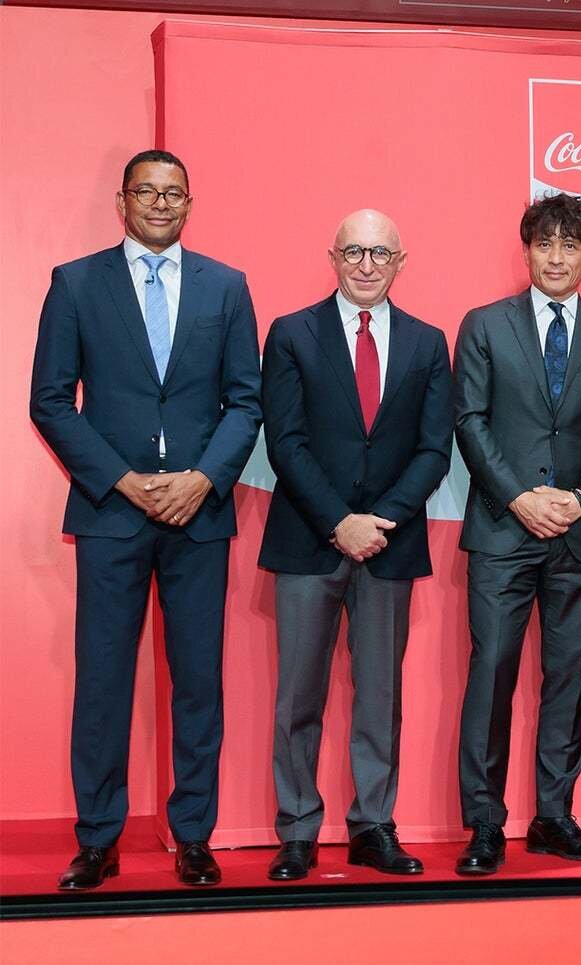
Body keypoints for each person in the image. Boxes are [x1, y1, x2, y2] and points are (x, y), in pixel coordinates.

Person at [30, 149, 261, 889]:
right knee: (103, 682)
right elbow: (50, 401)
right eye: (147, 191)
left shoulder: (226, 286)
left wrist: (203, 479)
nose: (161, 203)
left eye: (174, 193)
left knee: (198, 683)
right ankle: (97, 839)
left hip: (199, 515)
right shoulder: (75, 283)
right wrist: (123, 481)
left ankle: (194, 836)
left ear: (189, 203)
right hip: (111, 513)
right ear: (123, 202)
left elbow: (246, 401)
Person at [258, 210, 453, 881]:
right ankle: (297, 831)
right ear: (333, 257)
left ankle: (373, 826)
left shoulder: (428, 343)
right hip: (309, 538)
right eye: (354, 252)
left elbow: (434, 449)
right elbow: (285, 442)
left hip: (389, 545)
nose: (366, 264)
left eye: (379, 253)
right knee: (297, 696)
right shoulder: (291, 334)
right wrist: (340, 520)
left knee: (380, 696)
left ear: (401, 261)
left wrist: (382, 520)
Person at [453, 193, 581, 873]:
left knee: (570, 677)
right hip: (502, 531)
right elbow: (469, 421)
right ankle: (484, 824)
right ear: (527, 250)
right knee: (491, 675)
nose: (556, 257)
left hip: (579, 535)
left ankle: (553, 817)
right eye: (544, 244)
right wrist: (519, 497)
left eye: (570, 245)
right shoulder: (484, 325)